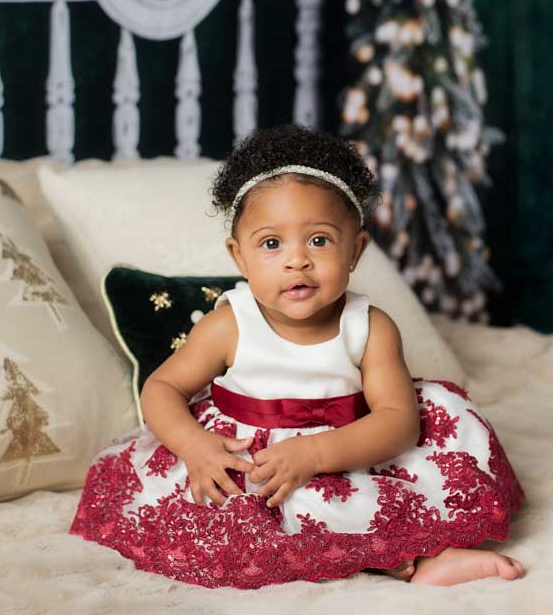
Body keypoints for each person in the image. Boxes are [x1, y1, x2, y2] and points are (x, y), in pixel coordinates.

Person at [70, 124, 526, 589]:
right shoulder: (231, 323)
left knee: (392, 485)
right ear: (240, 257)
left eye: (320, 240)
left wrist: (316, 451)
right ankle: (389, 559)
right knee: (240, 510)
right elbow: (163, 388)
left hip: (347, 448)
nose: (297, 261)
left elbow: (397, 420)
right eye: (272, 244)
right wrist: (195, 446)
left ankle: (428, 555)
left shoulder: (370, 327)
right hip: (253, 460)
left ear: (356, 250)